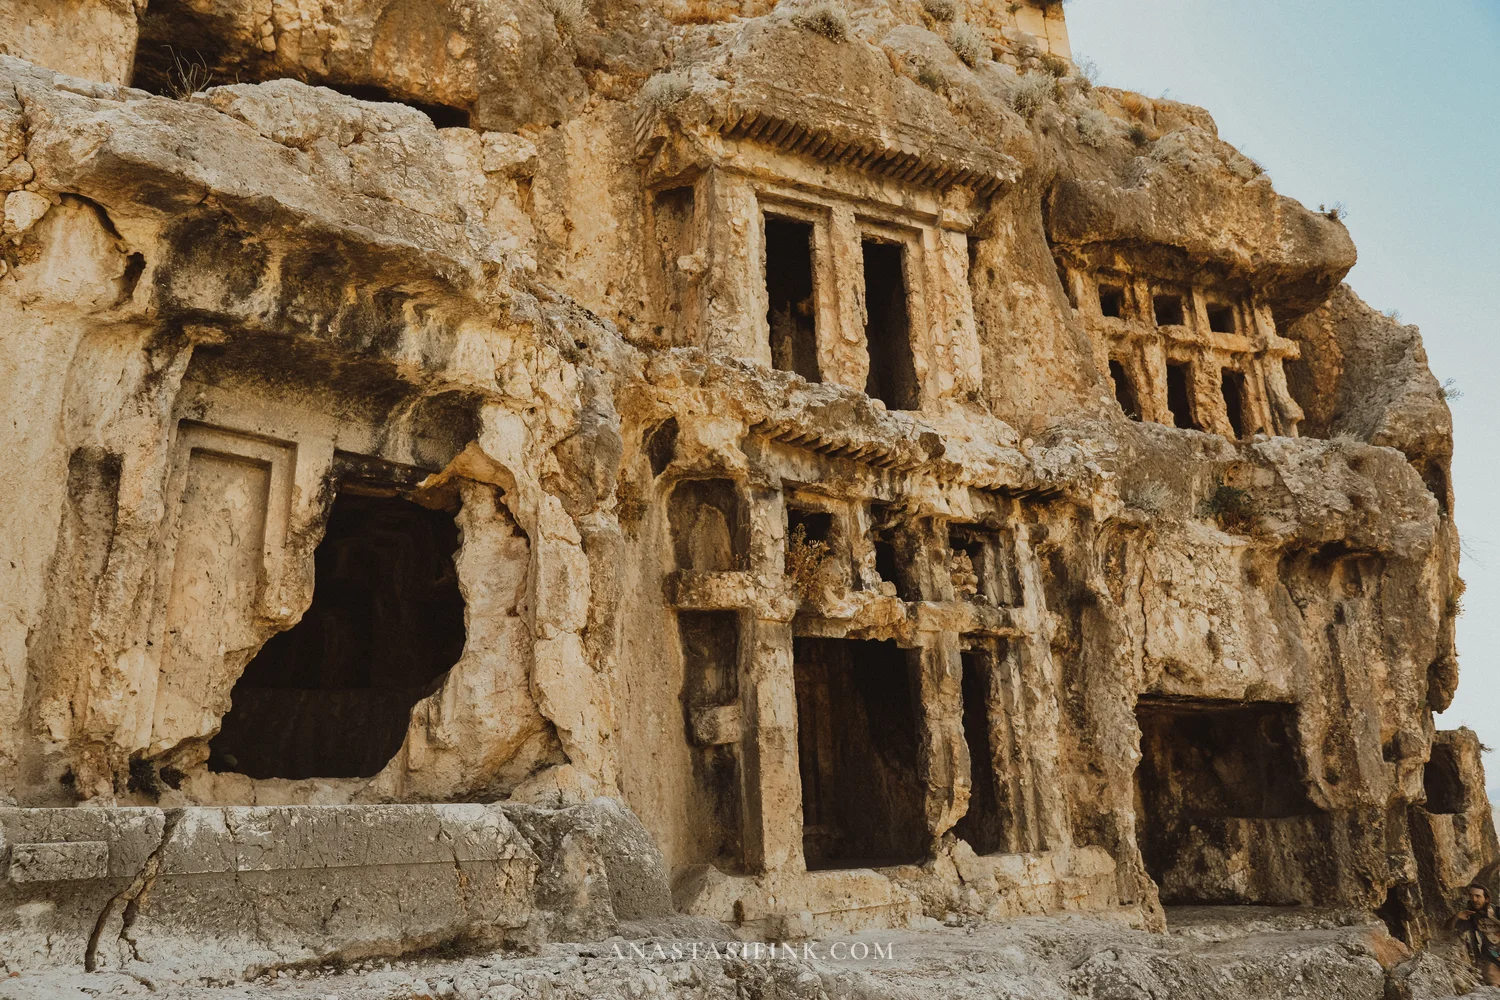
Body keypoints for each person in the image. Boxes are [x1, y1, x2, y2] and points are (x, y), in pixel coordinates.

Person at [1452, 883, 1500, 985]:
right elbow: (1448, 929)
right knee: (1493, 987)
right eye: (1471, 896)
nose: (1474, 899)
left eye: (1478, 896)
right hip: (1491, 959)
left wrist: (1492, 918)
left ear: (1486, 899)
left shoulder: (1497, 911)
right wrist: (1456, 917)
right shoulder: (1472, 916)